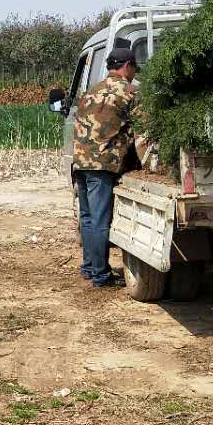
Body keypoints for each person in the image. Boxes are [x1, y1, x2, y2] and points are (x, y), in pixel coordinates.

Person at [72, 47, 139, 287]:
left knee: (88, 218)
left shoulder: (92, 90)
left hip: (80, 162)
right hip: (102, 165)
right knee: (100, 221)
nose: (133, 73)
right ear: (127, 66)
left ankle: (90, 267)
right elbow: (143, 131)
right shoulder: (129, 92)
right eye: (133, 68)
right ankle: (101, 275)